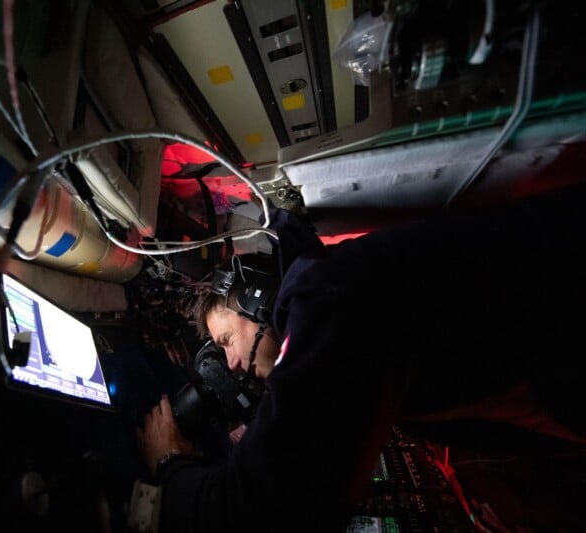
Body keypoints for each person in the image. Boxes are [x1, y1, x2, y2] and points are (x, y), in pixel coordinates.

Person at [136, 181, 586, 532]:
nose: (231, 365)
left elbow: (265, 511)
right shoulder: (330, 299)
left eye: (226, 340)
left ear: (254, 300)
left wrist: (169, 464)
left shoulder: (323, 299)